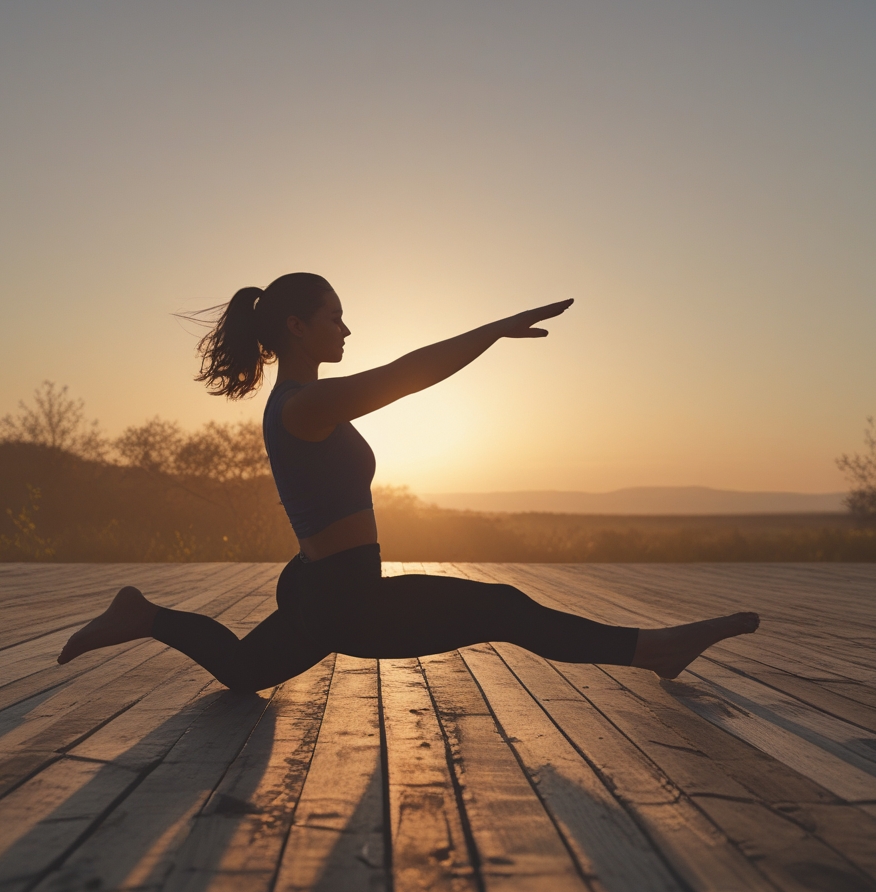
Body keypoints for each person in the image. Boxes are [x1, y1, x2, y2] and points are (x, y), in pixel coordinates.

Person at [57, 272, 759, 689]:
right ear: (299, 326)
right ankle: (654, 651)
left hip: (319, 584)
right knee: (502, 608)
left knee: (243, 673)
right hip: (341, 597)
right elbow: (405, 377)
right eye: (334, 316)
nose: (346, 328)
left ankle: (143, 615)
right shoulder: (305, 405)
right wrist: (494, 329)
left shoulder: (299, 403)